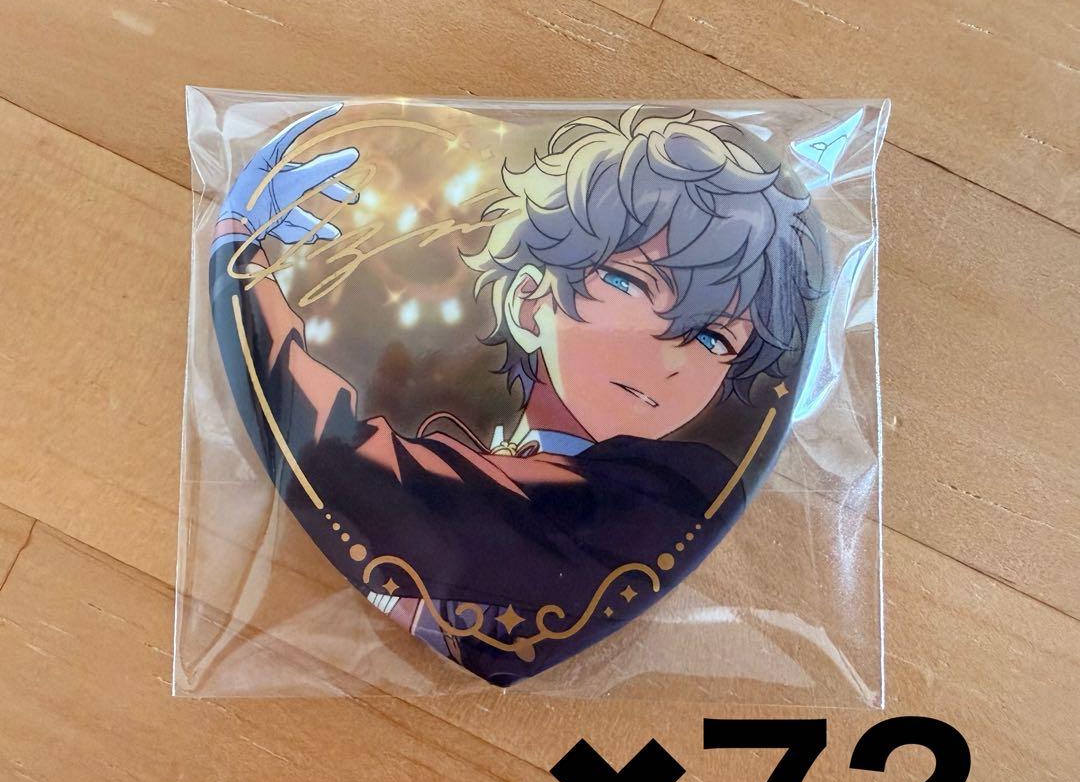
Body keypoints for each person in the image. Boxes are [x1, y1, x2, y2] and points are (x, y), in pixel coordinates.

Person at [211, 103, 826, 685]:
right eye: (630, 283)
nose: (669, 355)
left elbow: (339, 454)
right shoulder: (512, 468)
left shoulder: (661, 494)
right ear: (530, 301)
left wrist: (241, 256)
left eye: (714, 338)